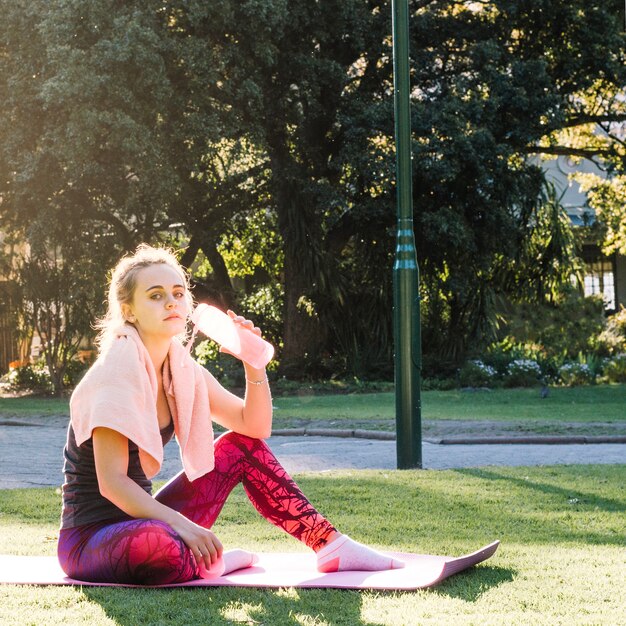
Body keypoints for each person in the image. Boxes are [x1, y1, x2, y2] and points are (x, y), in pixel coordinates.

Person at [57, 244, 404, 585]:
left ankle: (329, 545)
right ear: (128, 310)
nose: (171, 302)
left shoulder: (181, 371)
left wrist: (254, 364)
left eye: (178, 293)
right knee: (159, 547)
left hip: (149, 519)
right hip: (92, 538)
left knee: (238, 446)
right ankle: (216, 562)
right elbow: (113, 483)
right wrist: (184, 525)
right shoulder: (116, 371)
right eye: (155, 295)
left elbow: (254, 427)